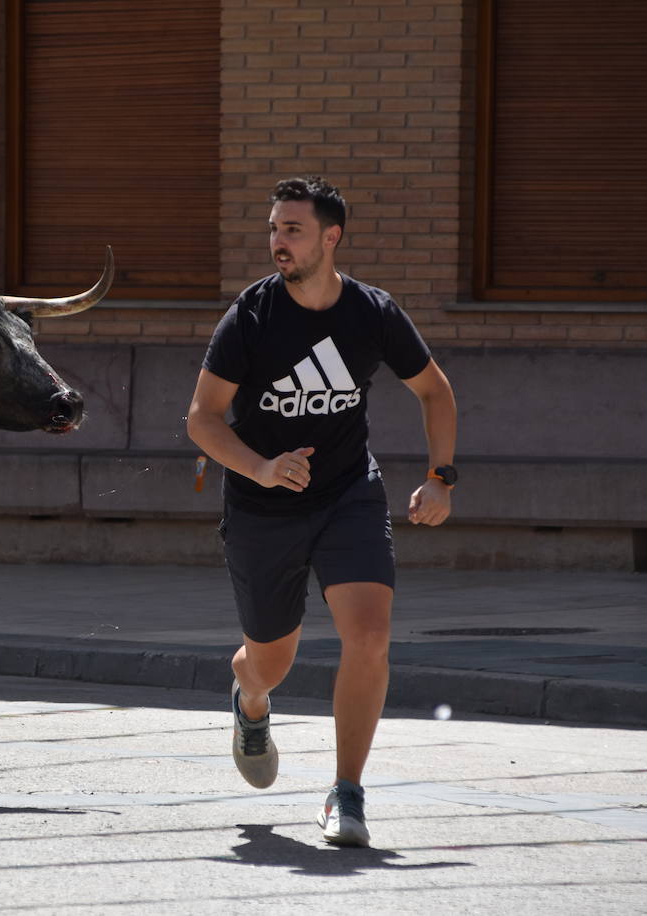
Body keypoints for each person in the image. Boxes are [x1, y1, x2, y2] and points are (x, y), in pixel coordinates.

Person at [187, 176, 457, 848]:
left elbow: (435, 391)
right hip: (260, 508)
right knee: (268, 664)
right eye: (275, 229)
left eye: (293, 230)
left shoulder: (372, 312)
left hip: (347, 495)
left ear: (330, 237)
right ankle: (249, 701)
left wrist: (440, 478)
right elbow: (202, 419)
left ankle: (347, 794)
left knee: (369, 636)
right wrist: (261, 468)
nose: (279, 242)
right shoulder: (250, 317)